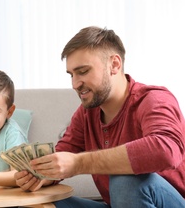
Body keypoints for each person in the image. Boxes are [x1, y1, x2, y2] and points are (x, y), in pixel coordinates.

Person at [14, 26, 185, 207]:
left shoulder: (154, 99)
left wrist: (79, 163)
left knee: (125, 181)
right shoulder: (87, 113)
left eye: (83, 71)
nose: (75, 83)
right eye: (71, 75)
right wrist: (43, 174)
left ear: (114, 65)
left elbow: (166, 151)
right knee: (43, 203)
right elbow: (64, 154)